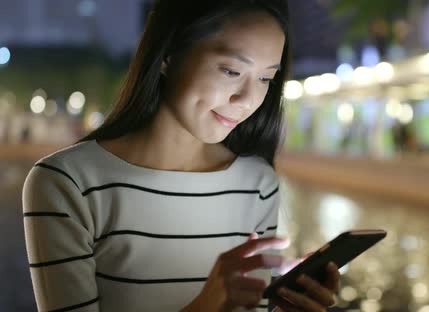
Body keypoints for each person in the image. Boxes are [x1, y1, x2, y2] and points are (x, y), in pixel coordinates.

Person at [22, 1, 340, 311]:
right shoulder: (67, 183)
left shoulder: (257, 183)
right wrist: (206, 304)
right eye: (231, 70)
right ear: (169, 54)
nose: (246, 100)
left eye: (265, 79)